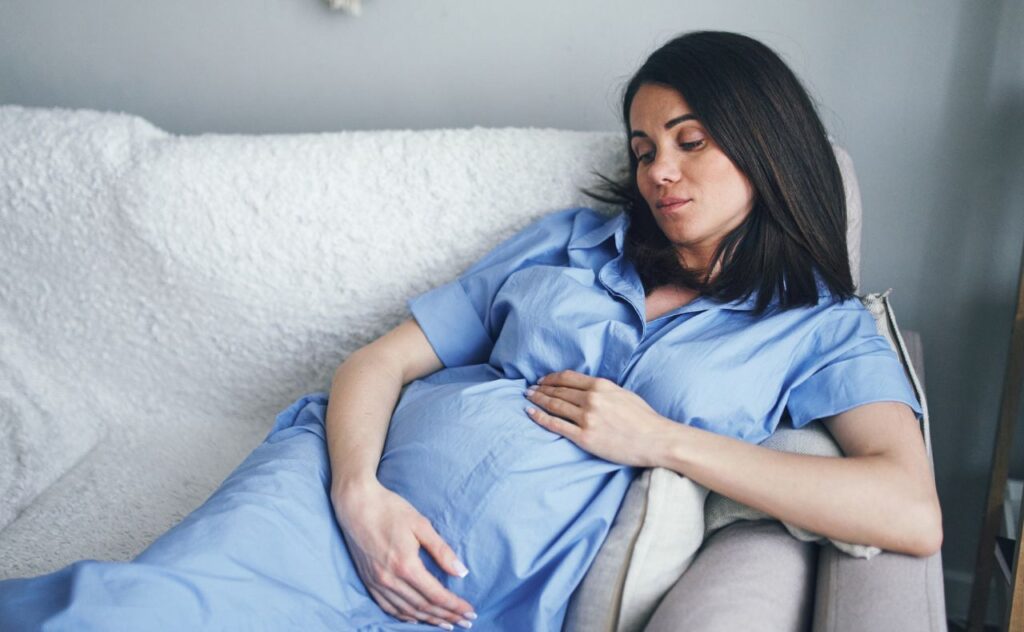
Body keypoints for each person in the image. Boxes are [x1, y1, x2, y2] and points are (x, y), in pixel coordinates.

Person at [0, 30, 941, 631]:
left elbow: (908, 510)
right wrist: (360, 495)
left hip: (476, 598)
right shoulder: (574, 243)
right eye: (645, 146)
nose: (661, 172)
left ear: (766, 142)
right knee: (120, 617)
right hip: (331, 506)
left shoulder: (819, 329)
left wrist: (658, 441)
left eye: (692, 140)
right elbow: (379, 361)